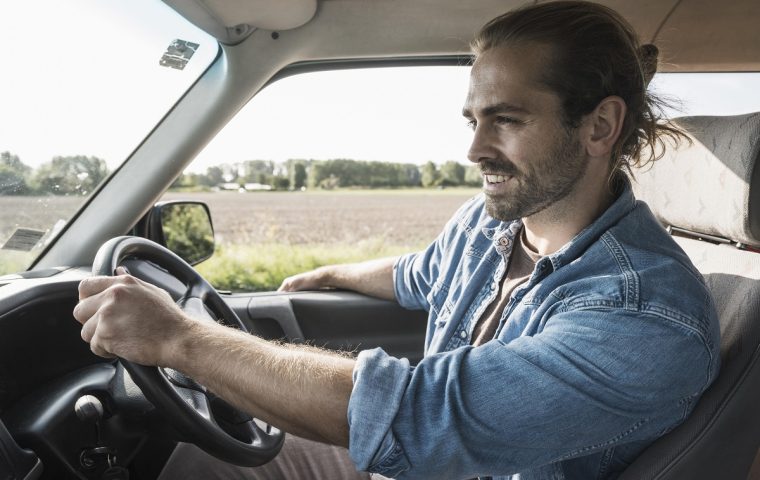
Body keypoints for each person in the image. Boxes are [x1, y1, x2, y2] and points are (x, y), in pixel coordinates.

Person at [73, 1, 720, 479]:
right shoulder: (494, 222)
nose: (474, 149)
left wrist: (179, 337)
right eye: (474, 120)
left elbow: (420, 413)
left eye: (507, 120)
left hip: (447, 460)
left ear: (600, 125)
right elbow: (424, 273)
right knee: (197, 462)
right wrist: (334, 273)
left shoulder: (644, 315)